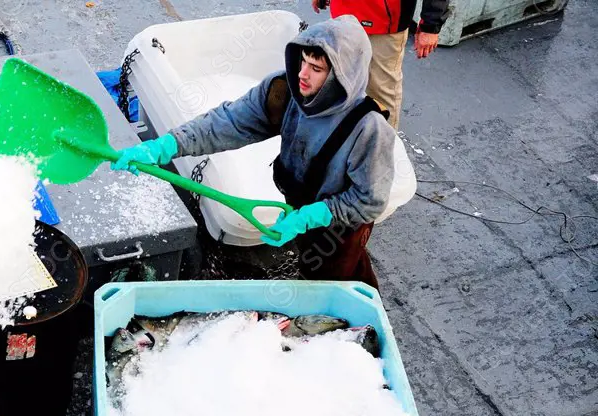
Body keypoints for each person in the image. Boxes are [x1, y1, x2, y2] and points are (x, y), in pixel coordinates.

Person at [112, 15, 395, 289]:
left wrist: (314, 216)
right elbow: (228, 122)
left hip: (340, 226)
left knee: (332, 277)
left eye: (316, 70)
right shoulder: (285, 91)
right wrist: (168, 145)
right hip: (297, 201)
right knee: (308, 261)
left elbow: (370, 200)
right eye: (303, 62)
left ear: (341, 77)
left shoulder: (368, 128)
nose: (303, 75)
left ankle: (361, 315)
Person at [315, 0, 450, 129]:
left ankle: (385, 147)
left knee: (381, 92)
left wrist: (431, 26)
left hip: (385, 20)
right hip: (342, 16)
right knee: (342, 84)